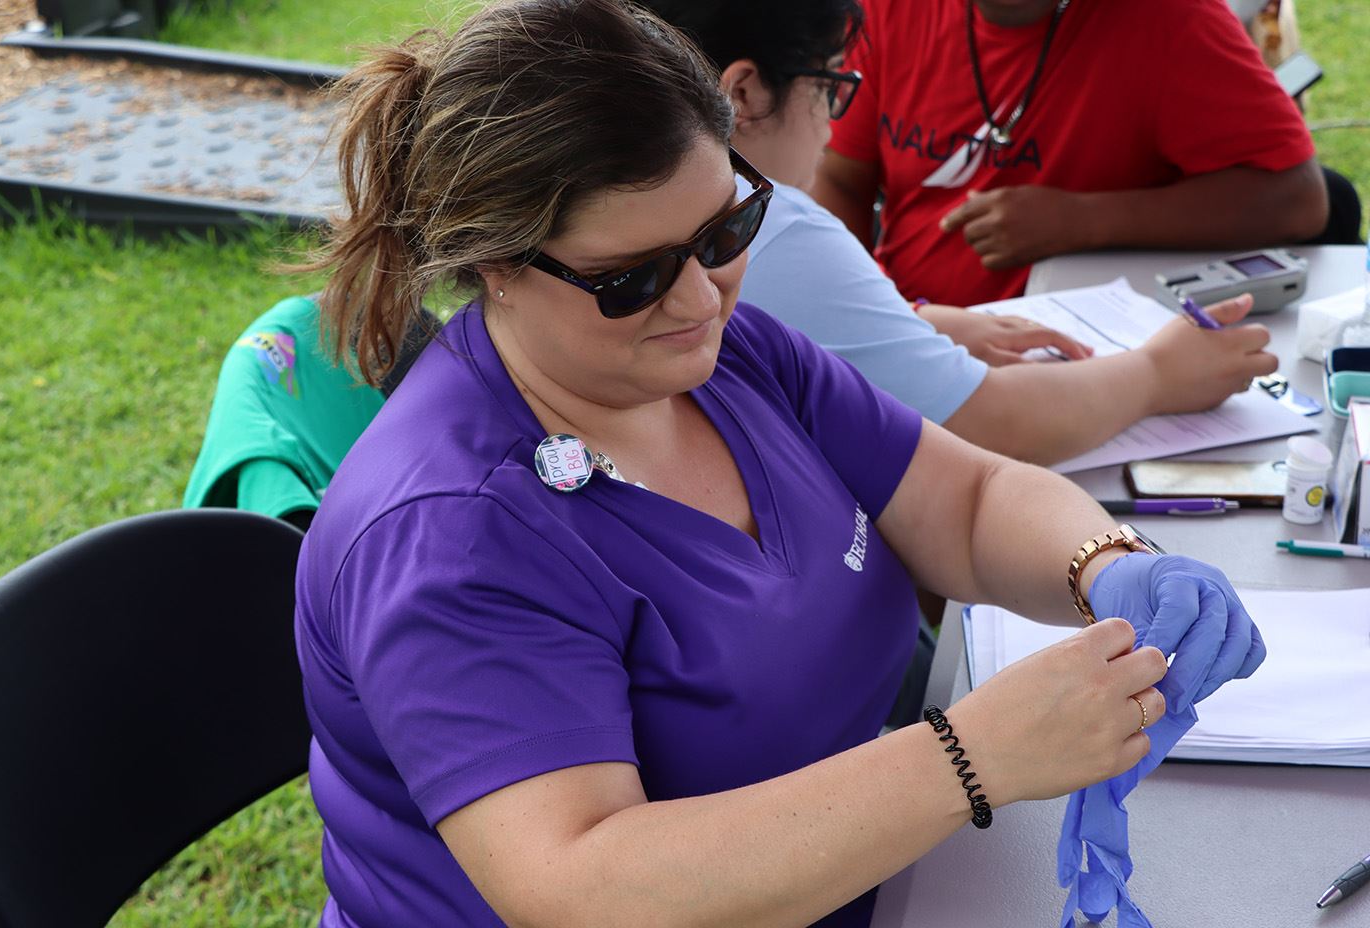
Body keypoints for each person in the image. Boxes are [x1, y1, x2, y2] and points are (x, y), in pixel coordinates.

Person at [294, 2, 1264, 926]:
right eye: (631, 279)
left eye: (725, 232)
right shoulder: (450, 532)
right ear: (497, 264)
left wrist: (1102, 560)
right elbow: (582, 887)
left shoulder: (728, 358)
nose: (699, 298)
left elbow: (964, 499)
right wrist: (968, 759)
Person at [639, 0, 1279, 464]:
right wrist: (1158, 375)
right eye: (833, 84)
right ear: (744, 94)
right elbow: (996, 423)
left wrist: (912, 323)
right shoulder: (772, 224)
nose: (838, 121)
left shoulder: (626, 188)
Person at [812, 0, 1331, 307]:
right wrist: (866, 304)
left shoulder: (1172, 19)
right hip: (910, 330)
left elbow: (1297, 197)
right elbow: (839, 180)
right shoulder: (887, 12)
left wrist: (1081, 220)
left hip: (1086, 355)